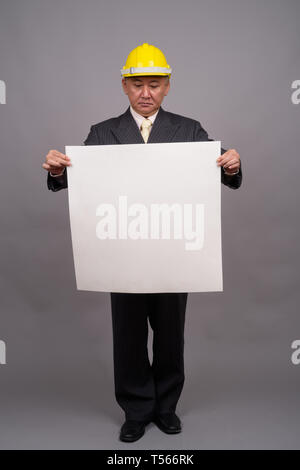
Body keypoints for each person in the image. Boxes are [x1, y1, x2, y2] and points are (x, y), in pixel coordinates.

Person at [42, 43, 242, 443]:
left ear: (167, 86)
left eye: (154, 84)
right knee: (129, 336)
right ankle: (136, 411)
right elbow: (77, 181)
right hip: (123, 253)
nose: (145, 93)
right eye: (137, 85)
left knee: (171, 335)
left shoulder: (189, 130)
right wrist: (58, 170)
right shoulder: (102, 133)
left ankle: (165, 408)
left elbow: (221, 172)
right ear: (124, 86)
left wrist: (233, 163)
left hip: (172, 254)